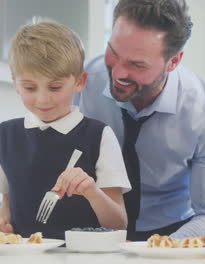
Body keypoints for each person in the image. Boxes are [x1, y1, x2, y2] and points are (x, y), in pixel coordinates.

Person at [74, 0, 205, 241]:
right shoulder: (82, 83)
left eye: (137, 65)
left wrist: (164, 248)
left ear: (174, 61)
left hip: (174, 231)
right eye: (113, 54)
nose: (117, 73)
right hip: (91, 226)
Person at [0, 20, 131, 239]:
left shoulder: (99, 136)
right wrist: (5, 223)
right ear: (16, 83)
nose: (43, 99)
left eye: (55, 87)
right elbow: (8, 202)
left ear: (80, 81)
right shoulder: (5, 136)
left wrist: (92, 192)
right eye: (29, 87)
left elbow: (119, 224)